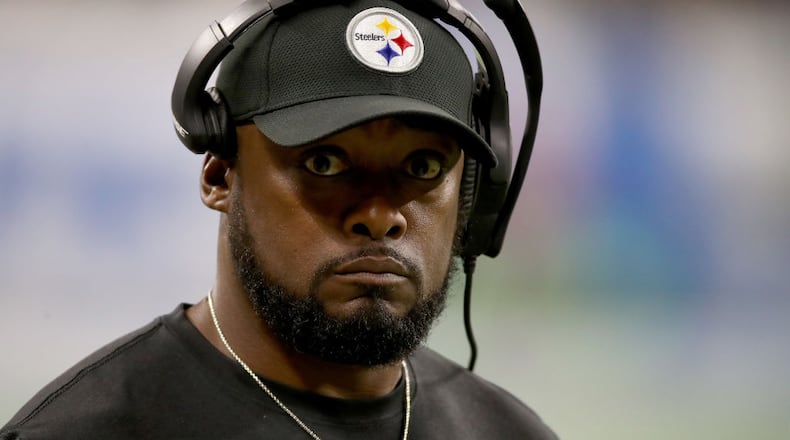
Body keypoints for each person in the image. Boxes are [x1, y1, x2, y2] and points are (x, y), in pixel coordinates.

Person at [1, 0, 556, 438]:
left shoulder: (512, 433)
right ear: (220, 176)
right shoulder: (78, 430)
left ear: (473, 195)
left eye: (422, 165)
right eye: (325, 161)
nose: (381, 215)